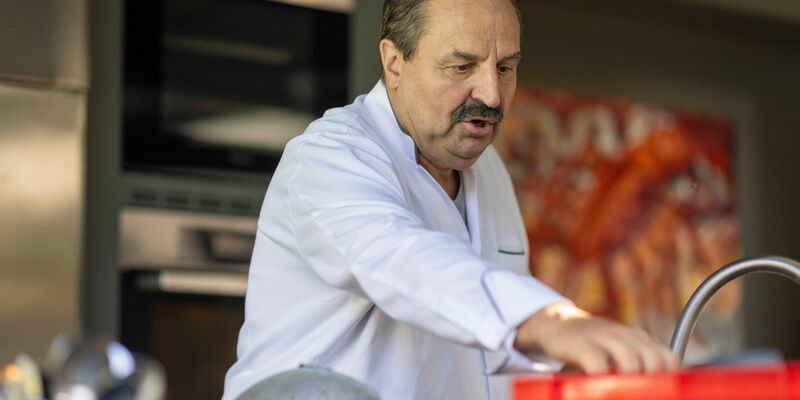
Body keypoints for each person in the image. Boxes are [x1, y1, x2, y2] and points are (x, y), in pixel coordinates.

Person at [223, 0, 678, 399]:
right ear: (394, 62)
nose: (491, 94)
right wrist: (553, 323)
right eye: (461, 66)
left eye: (505, 67)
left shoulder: (489, 170)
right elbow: (404, 261)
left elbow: (476, 345)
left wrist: (568, 363)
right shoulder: (330, 158)